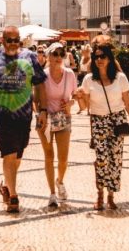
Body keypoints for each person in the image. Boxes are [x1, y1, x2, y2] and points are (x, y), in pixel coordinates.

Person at [0, 24, 48, 214]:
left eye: (16, 40)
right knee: (9, 153)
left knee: (18, 155)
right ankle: (13, 196)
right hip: (2, 114)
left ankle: (6, 185)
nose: (13, 43)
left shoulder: (30, 57)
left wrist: (43, 110)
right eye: (9, 40)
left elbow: (40, 85)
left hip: (24, 115)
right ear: (2, 40)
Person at [77, 36, 129, 211]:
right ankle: (100, 194)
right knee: (101, 159)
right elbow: (85, 107)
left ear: (109, 58)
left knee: (115, 159)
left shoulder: (120, 78)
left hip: (118, 120)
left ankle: (111, 196)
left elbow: (128, 103)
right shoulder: (88, 79)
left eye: (103, 56)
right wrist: (79, 98)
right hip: (98, 121)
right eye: (96, 57)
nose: (99, 60)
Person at [37, 43, 76, 208]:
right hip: (45, 119)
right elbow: (35, 98)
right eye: (55, 54)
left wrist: (71, 103)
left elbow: (75, 94)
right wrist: (41, 112)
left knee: (63, 158)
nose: (59, 57)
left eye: (61, 54)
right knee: (49, 155)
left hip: (63, 118)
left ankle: (60, 181)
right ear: (48, 56)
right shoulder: (42, 76)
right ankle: (52, 193)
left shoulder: (70, 74)